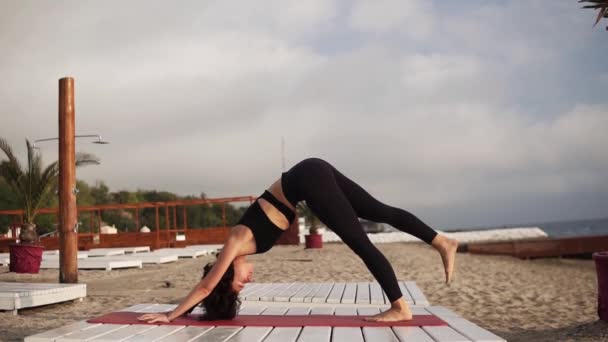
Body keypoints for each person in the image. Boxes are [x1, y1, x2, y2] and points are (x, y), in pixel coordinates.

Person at [138, 158, 458, 323]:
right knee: (379, 211)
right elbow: (212, 286)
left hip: (308, 180)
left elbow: (207, 287)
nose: (247, 280)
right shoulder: (246, 245)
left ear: (224, 276)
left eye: (238, 284)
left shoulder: (235, 241)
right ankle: (440, 240)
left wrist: (171, 314)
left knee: (360, 241)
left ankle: (400, 307)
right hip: (310, 173)